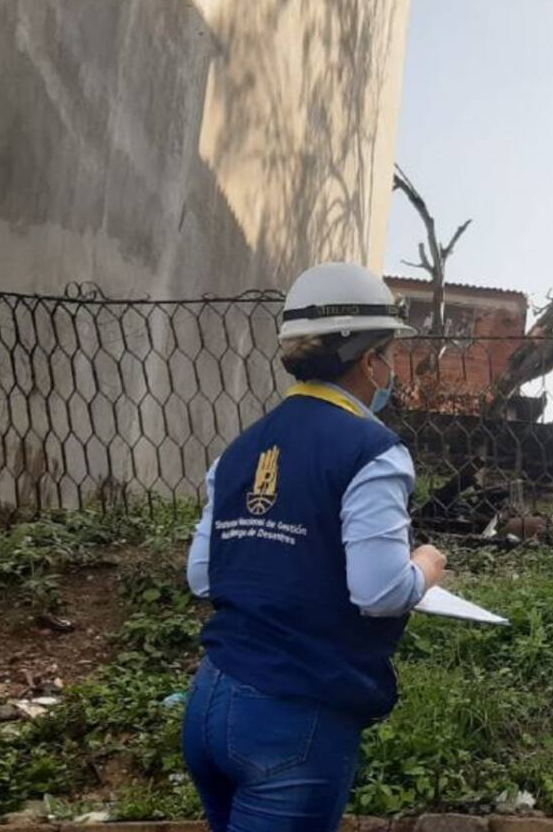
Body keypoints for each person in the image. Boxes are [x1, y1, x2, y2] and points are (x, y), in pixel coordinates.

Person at [181, 262, 448, 832]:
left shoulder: (238, 451)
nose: (391, 370)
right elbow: (379, 592)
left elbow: (204, 576)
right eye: (389, 356)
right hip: (294, 720)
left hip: (210, 702)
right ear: (369, 360)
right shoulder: (373, 451)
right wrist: (425, 566)